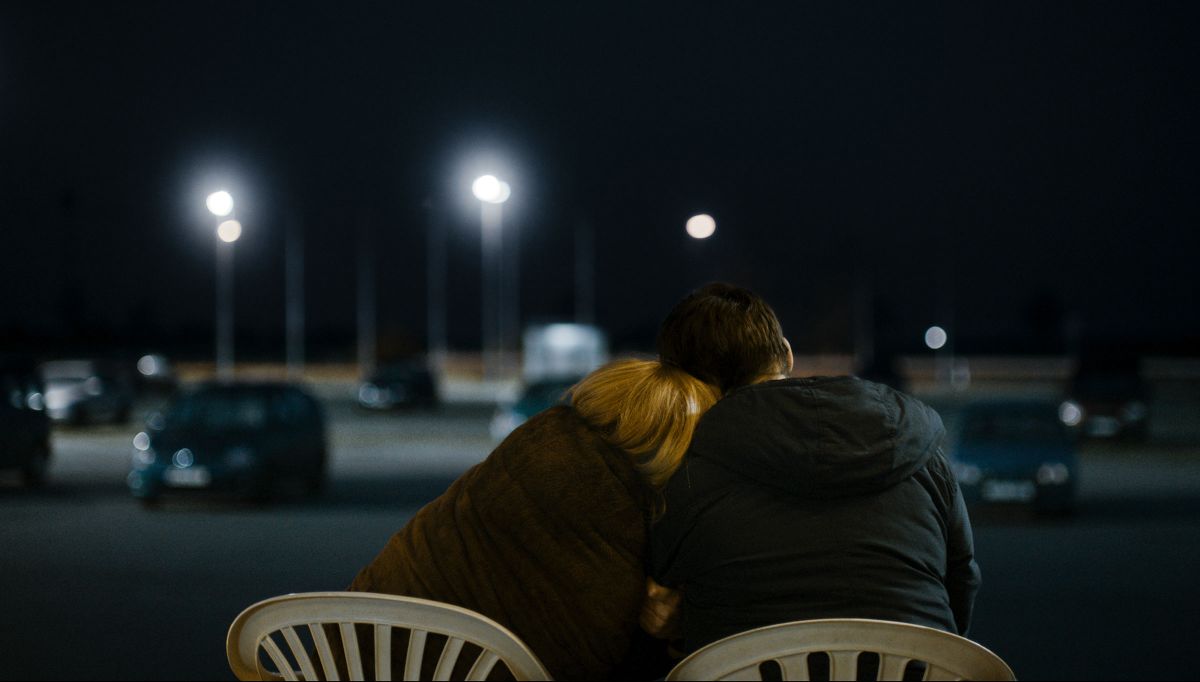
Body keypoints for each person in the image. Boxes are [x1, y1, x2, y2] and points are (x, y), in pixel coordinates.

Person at [649, 282, 981, 653]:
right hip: (919, 668)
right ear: (787, 353)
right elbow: (961, 582)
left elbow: (663, 605)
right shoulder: (922, 456)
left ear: (682, 381)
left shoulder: (688, 475)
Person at [347, 358, 720, 680]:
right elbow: (591, 657)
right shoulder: (600, 505)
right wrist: (663, 633)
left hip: (342, 653)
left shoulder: (533, 448)